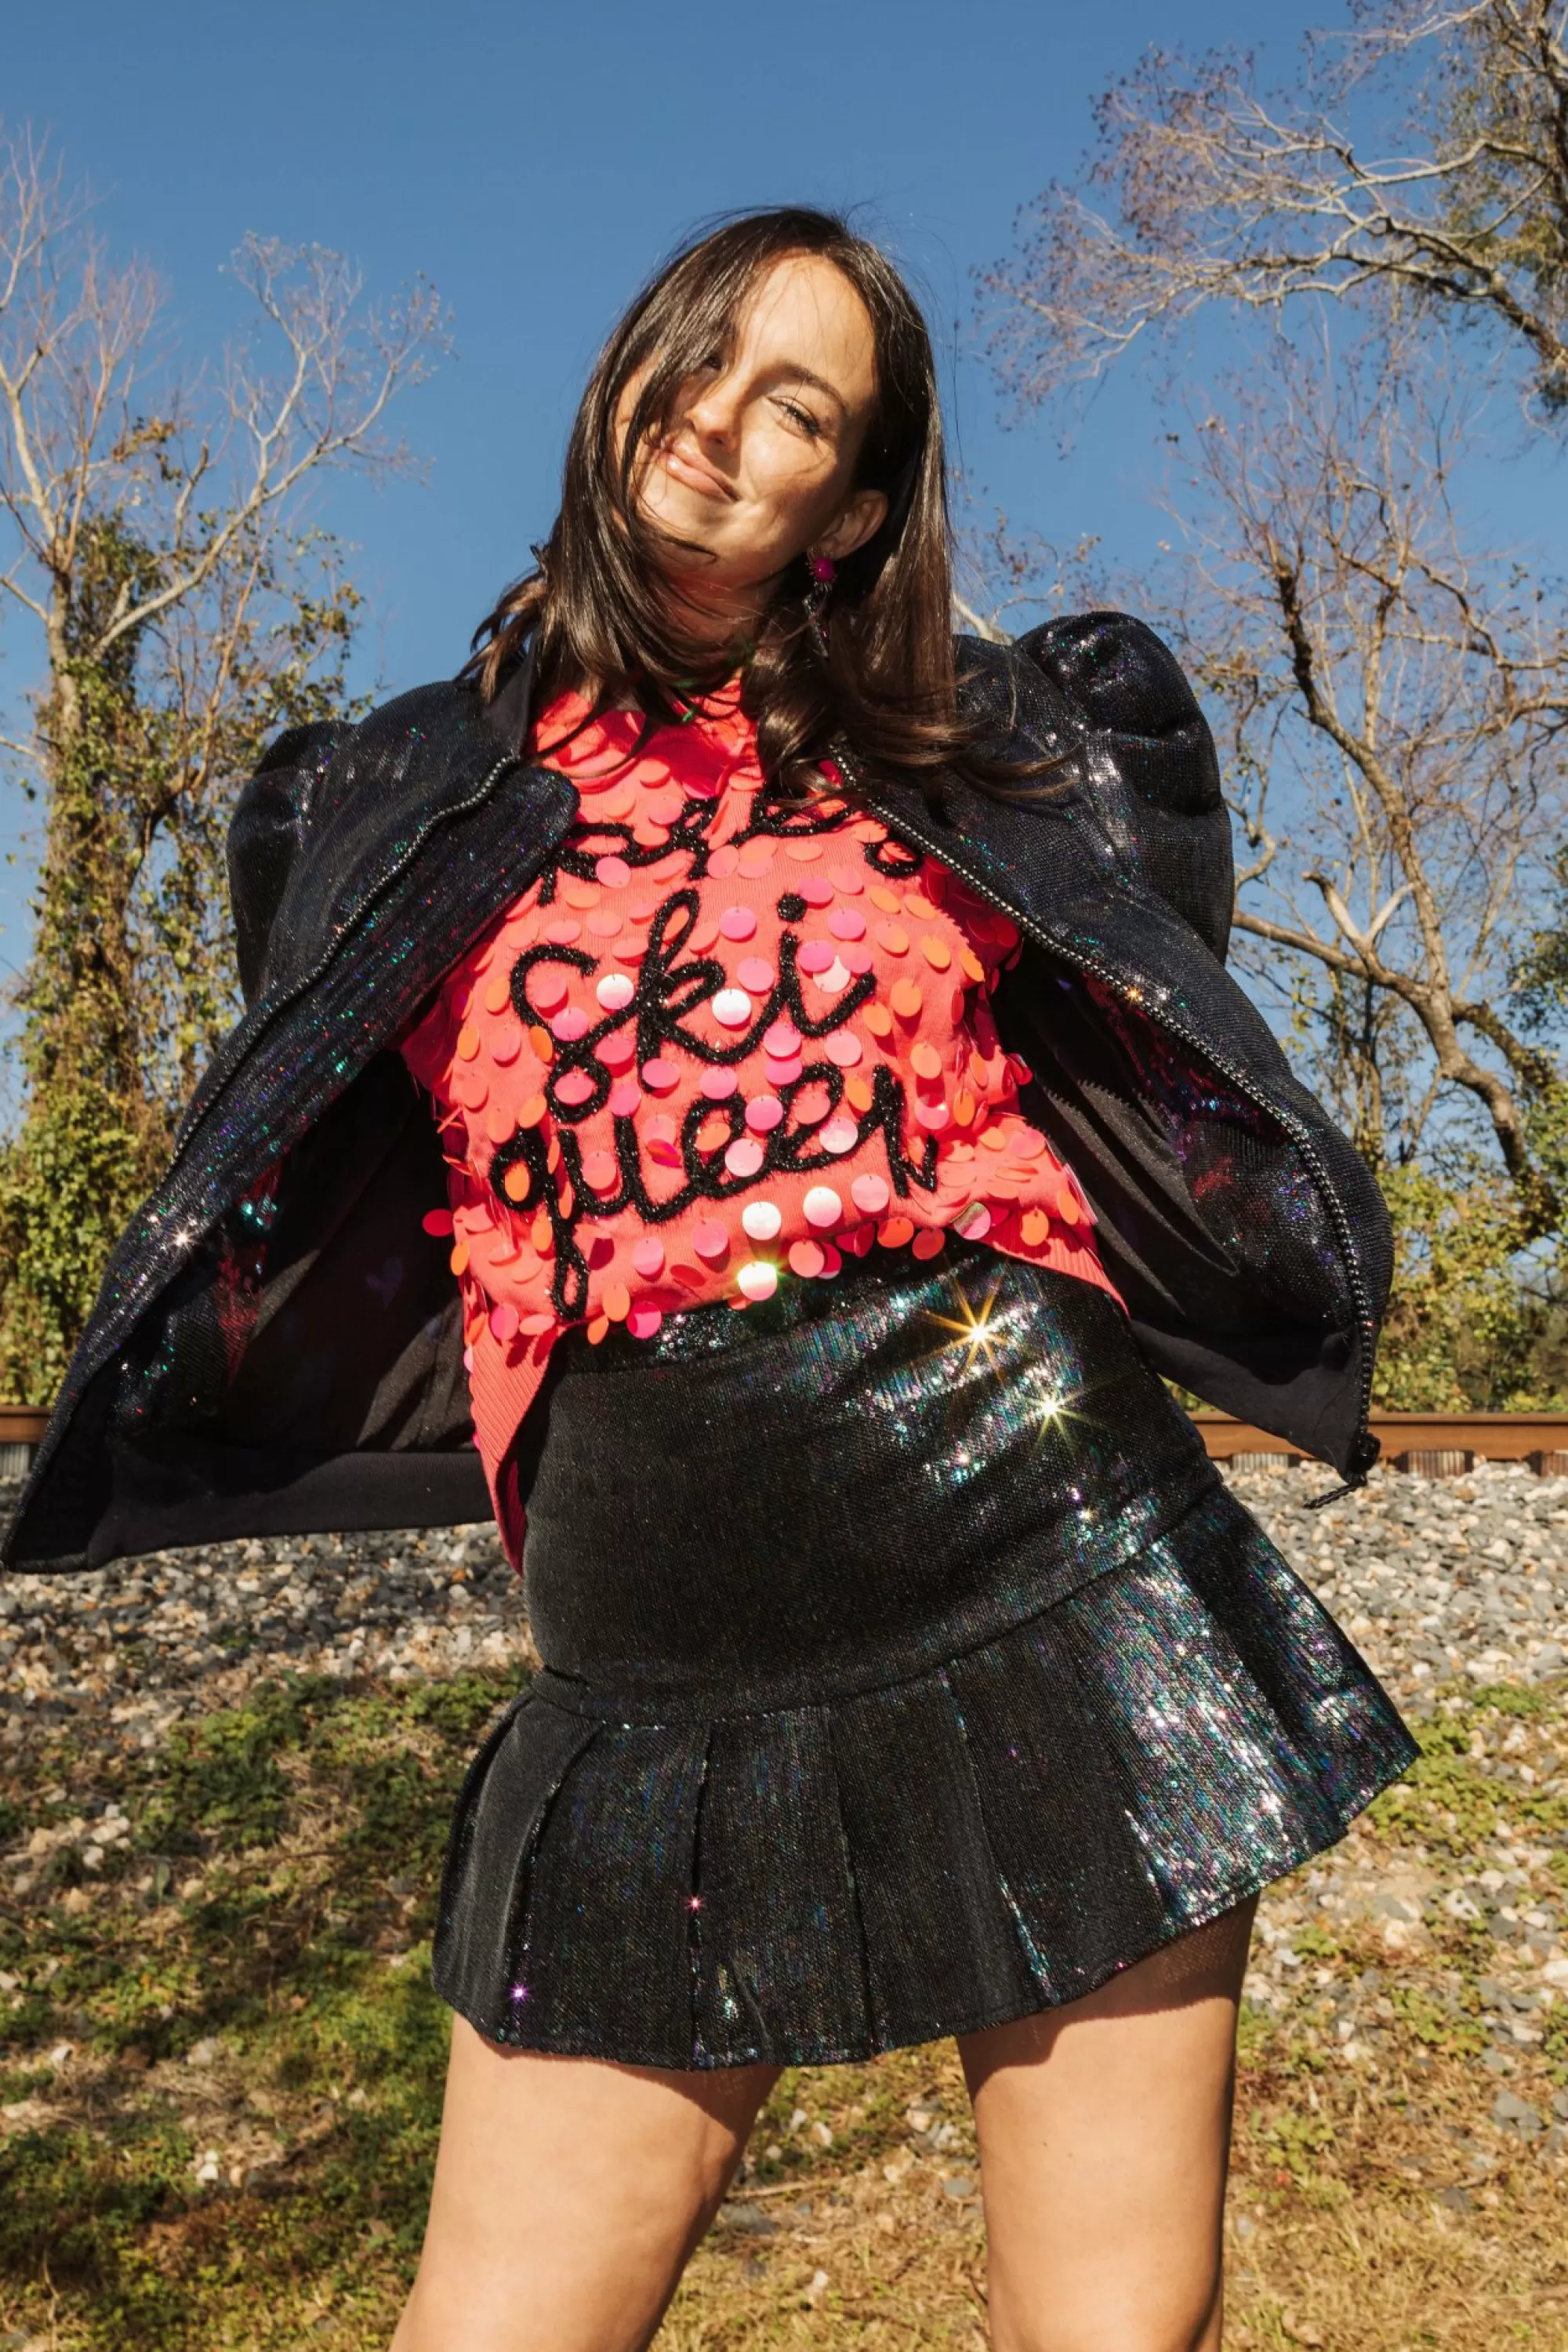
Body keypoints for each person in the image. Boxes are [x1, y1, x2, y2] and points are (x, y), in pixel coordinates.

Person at [7, 209, 1416, 2352]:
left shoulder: (972, 743)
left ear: (846, 508)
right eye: (705, 354)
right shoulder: (389, 791)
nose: (724, 418)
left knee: (1116, 2332)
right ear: (625, 375)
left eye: (802, 405)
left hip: (1042, 1539)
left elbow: (1163, 1009)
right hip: (650, 1634)